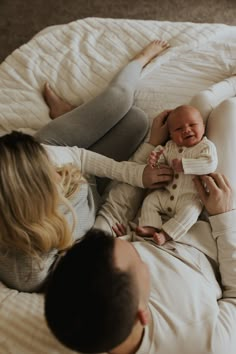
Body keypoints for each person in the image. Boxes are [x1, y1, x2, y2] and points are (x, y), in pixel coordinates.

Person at [44, 76, 236, 354]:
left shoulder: (79, 298)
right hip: (210, 221)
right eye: (141, 263)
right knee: (227, 111)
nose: (137, 247)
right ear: (143, 315)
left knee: (196, 107)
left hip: (165, 198)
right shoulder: (210, 343)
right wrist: (224, 216)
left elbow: (116, 209)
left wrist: (150, 146)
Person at [0, 40, 172, 293]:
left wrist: (137, 175)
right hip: (88, 188)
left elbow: (79, 158)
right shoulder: (28, 270)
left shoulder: (44, 157)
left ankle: (139, 60)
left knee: (121, 100)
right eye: (52, 173)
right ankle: (73, 115)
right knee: (136, 121)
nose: (57, 170)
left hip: (66, 149)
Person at [136, 105, 218, 245]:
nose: (186, 130)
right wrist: (155, 161)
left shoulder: (205, 146)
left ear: (203, 127)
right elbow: (159, 164)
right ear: (171, 135)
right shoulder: (169, 147)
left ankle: (166, 234)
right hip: (166, 194)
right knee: (150, 200)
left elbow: (209, 164)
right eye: (178, 129)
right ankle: (150, 225)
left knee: (191, 212)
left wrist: (185, 165)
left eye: (192, 125)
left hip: (189, 198)